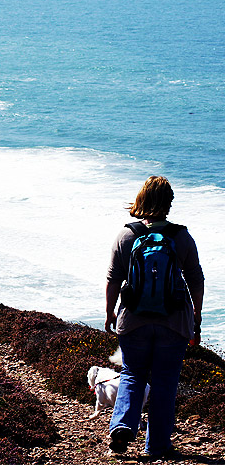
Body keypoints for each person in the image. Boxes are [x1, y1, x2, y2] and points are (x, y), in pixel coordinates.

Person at [105, 175, 204, 459]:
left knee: (133, 374)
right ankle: (157, 445)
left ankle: (122, 427)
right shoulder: (182, 237)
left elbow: (114, 279)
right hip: (173, 321)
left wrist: (110, 311)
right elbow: (195, 280)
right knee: (165, 381)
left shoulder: (127, 235)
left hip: (134, 319)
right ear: (169, 204)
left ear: (141, 199)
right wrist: (195, 316)